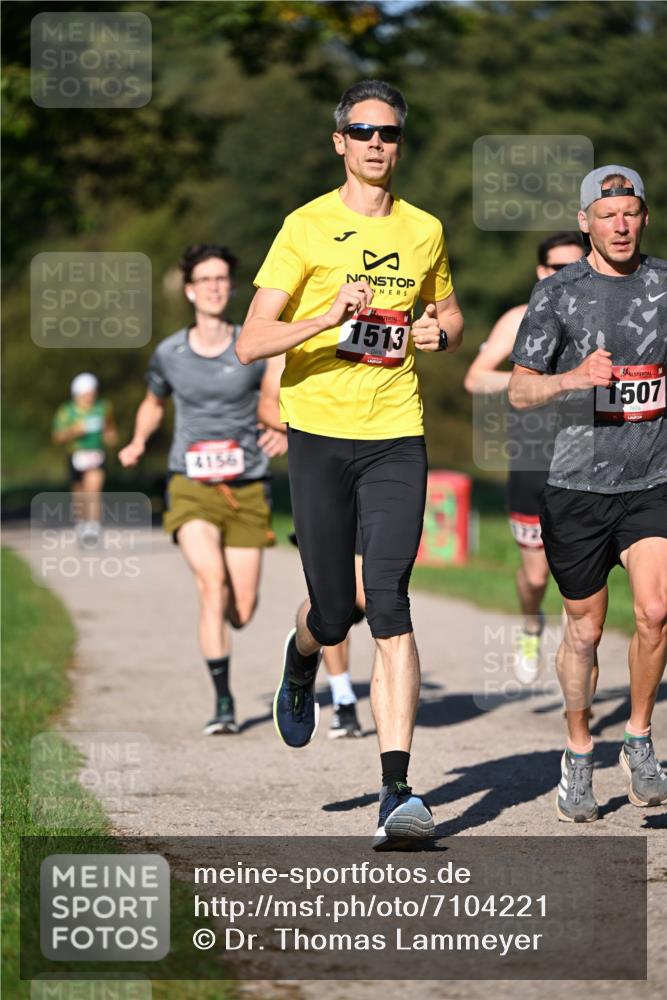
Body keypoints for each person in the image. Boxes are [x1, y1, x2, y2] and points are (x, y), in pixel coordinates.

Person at [236, 80, 464, 849]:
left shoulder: (425, 230)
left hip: (397, 431)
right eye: (362, 131)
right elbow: (249, 342)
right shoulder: (303, 227)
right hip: (318, 435)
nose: (376, 143)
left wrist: (443, 334)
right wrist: (326, 317)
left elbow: (446, 311)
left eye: (390, 133)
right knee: (336, 613)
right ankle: (303, 659)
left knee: (390, 602)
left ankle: (397, 790)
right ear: (339, 141)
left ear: (400, 144)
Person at [508, 166, 667, 821]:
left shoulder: (663, 284)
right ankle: (577, 752)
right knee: (584, 630)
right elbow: (519, 391)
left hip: (651, 478)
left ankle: (638, 739)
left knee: (655, 612)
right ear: (585, 223)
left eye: (630, 213)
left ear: (643, 219)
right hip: (574, 485)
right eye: (607, 216)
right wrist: (572, 377)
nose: (620, 225)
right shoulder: (557, 295)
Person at [119, 244, 287, 735]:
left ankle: (233, 631)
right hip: (190, 484)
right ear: (190, 290)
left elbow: (276, 399)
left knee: (243, 608)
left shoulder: (252, 346)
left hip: (248, 486)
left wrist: (281, 428)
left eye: (221, 279)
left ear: (230, 288)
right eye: (205, 279)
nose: (214, 286)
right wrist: (137, 439)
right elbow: (153, 402)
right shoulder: (169, 353)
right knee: (210, 586)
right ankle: (224, 702)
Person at [465, 233, 584, 682]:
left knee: (581, 579)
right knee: (536, 578)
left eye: (577, 265)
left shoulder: (603, 315)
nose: (567, 275)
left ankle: (578, 667)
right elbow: (475, 378)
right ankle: (531, 625)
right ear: (541, 272)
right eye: (557, 268)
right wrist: (531, 385)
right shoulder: (519, 317)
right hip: (533, 459)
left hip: (586, 460)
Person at [52, 372, 117, 546]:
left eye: (92, 393)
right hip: (75, 455)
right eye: (87, 393)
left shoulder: (103, 407)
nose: (90, 397)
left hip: (95, 454)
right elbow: (57, 436)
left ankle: (94, 526)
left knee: (93, 490)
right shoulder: (67, 411)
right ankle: (81, 524)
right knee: (79, 493)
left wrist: (111, 437)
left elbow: (110, 430)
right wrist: (74, 430)